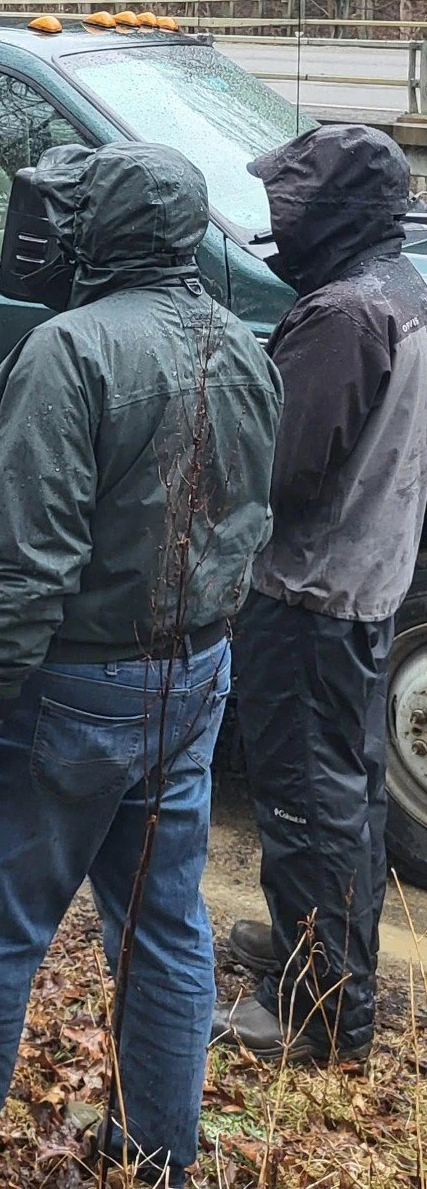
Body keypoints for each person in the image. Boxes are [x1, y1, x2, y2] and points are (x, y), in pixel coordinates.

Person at [0, 142, 281, 1186]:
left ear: (101, 231)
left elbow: (26, 570)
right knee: (164, 932)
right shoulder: (244, 346)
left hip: (69, 689)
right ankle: (158, 1157)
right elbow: (251, 527)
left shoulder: (68, 352)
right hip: (192, 677)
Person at [220, 124, 427, 1063]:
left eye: (291, 204)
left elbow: (275, 469)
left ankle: (318, 1010)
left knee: (309, 800)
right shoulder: (402, 289)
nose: (279, 223)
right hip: (366, 583)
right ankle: (315, 944)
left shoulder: (343, 317)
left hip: (310, 590)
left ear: (332, 212)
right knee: (350, 790)